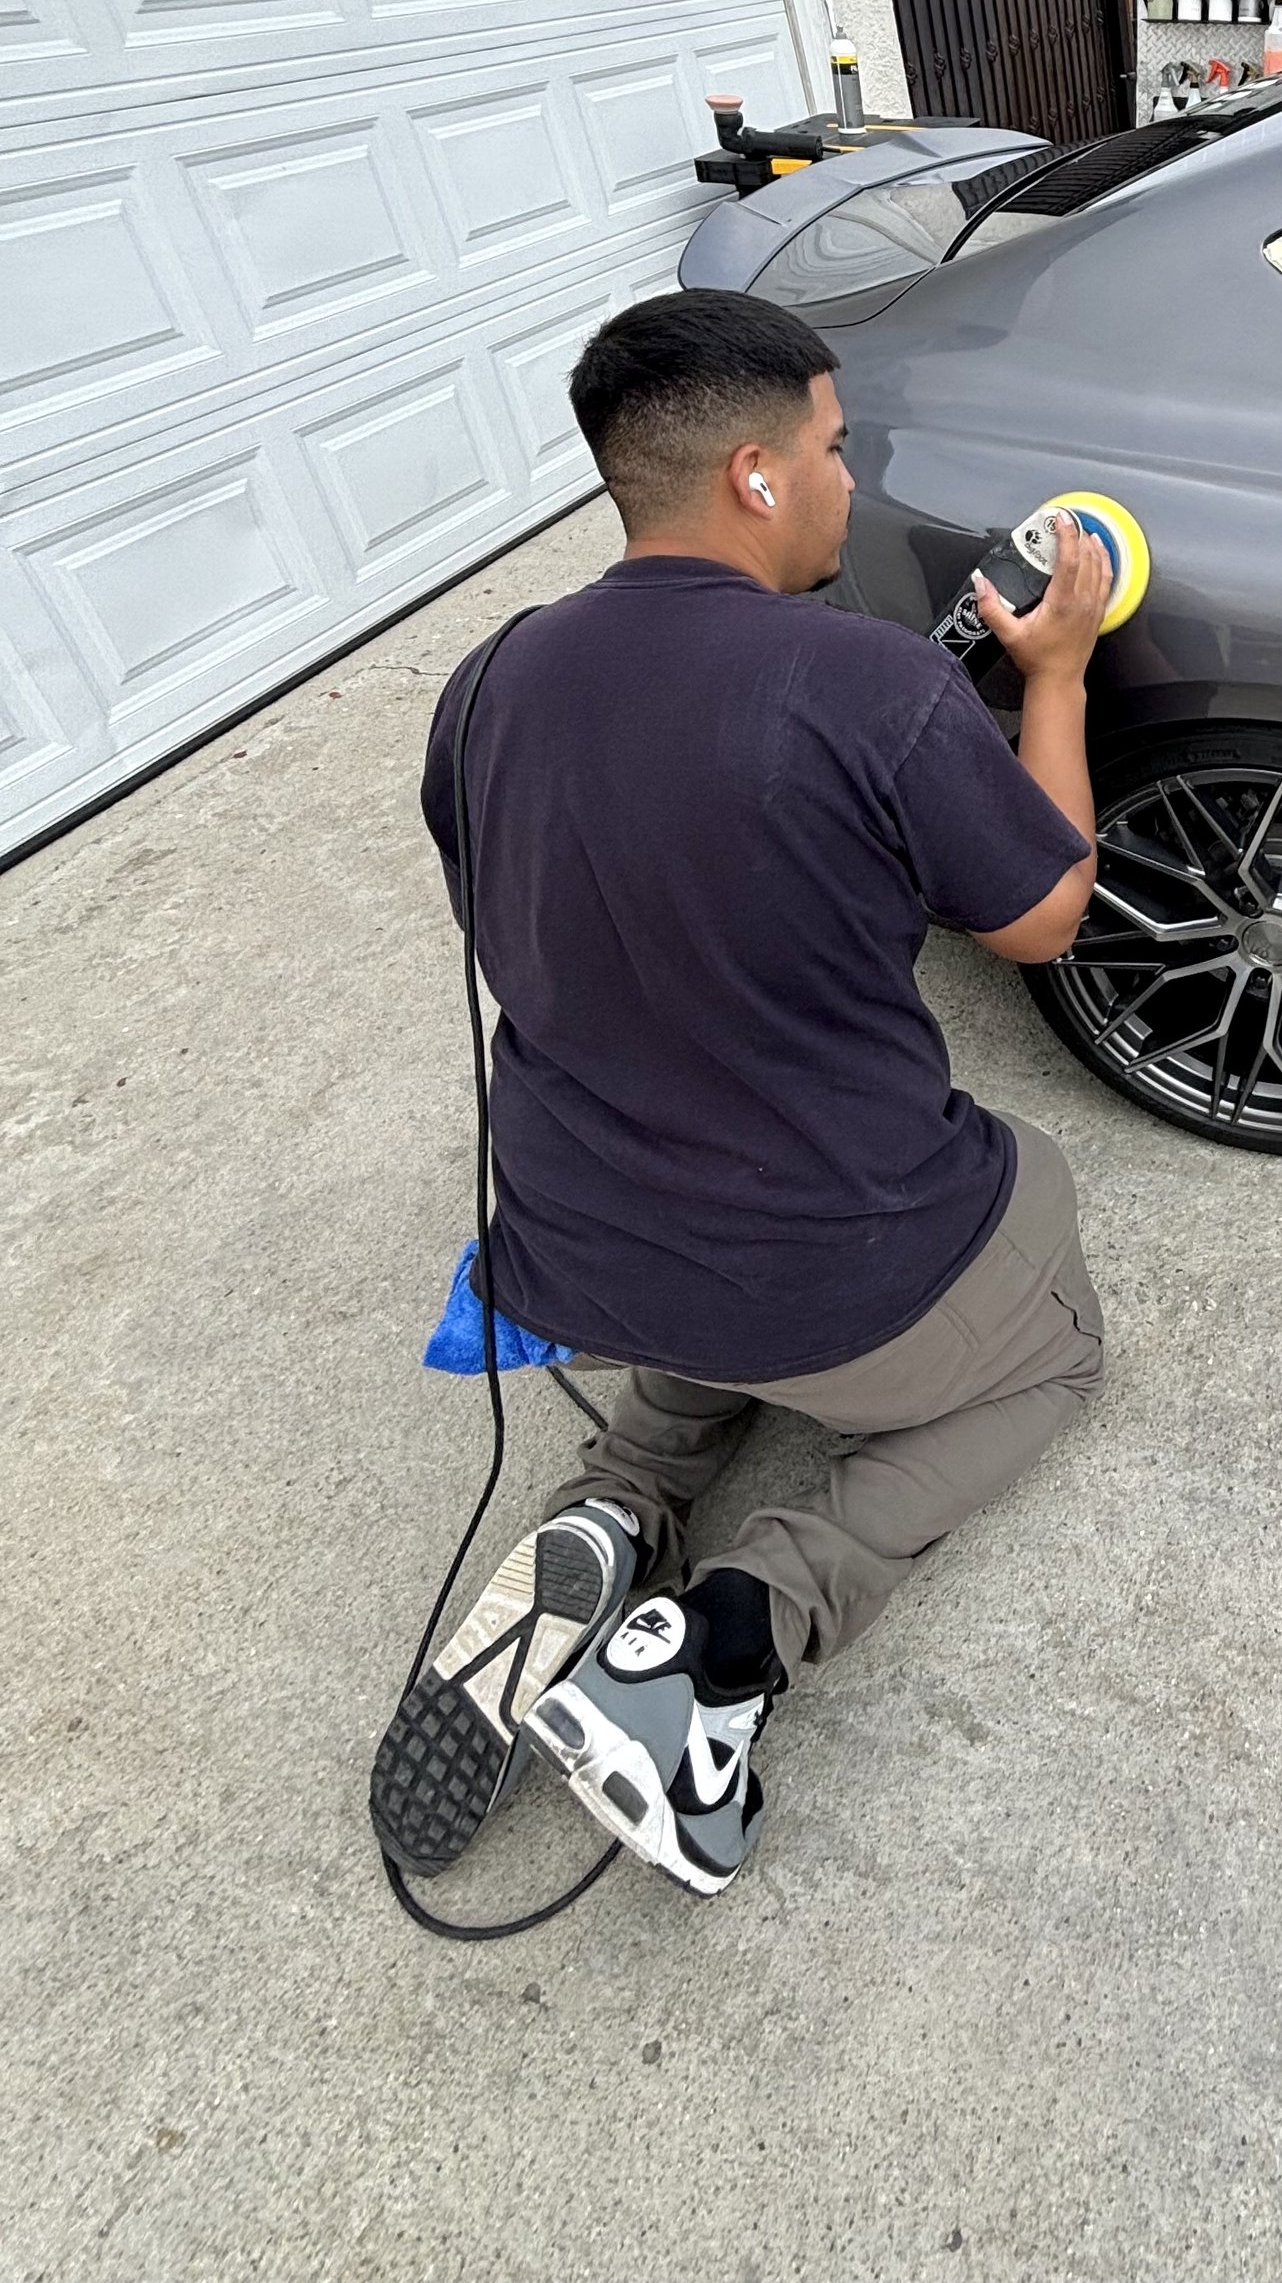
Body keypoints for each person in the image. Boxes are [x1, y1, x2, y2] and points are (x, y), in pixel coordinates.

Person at [369, 288, 1113, 1899]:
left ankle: (622, 1496)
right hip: (834, 1273)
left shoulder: (485, 683)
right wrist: (1051, 671)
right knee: (1048, 1326)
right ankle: (727, 1635)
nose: (856, 476)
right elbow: (1047, 915)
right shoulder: (869, 687)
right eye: (840, 447)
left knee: (716, 1230)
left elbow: (498, 915)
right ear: (760, 475)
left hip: (583, 1253)